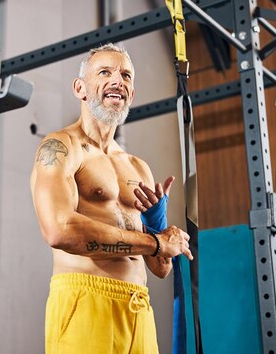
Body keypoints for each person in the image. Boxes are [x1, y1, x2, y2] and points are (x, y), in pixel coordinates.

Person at [30, 43, 193, 354]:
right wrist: (155, 243)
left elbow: (159, 269)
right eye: (104, 72)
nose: (119, 81)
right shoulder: (61, 147)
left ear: (132, 93)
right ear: (80, 88)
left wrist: (161, 230)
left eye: (126, 75)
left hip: (137, 305)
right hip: (84, 300)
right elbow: (59, 230)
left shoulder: (137, 167)